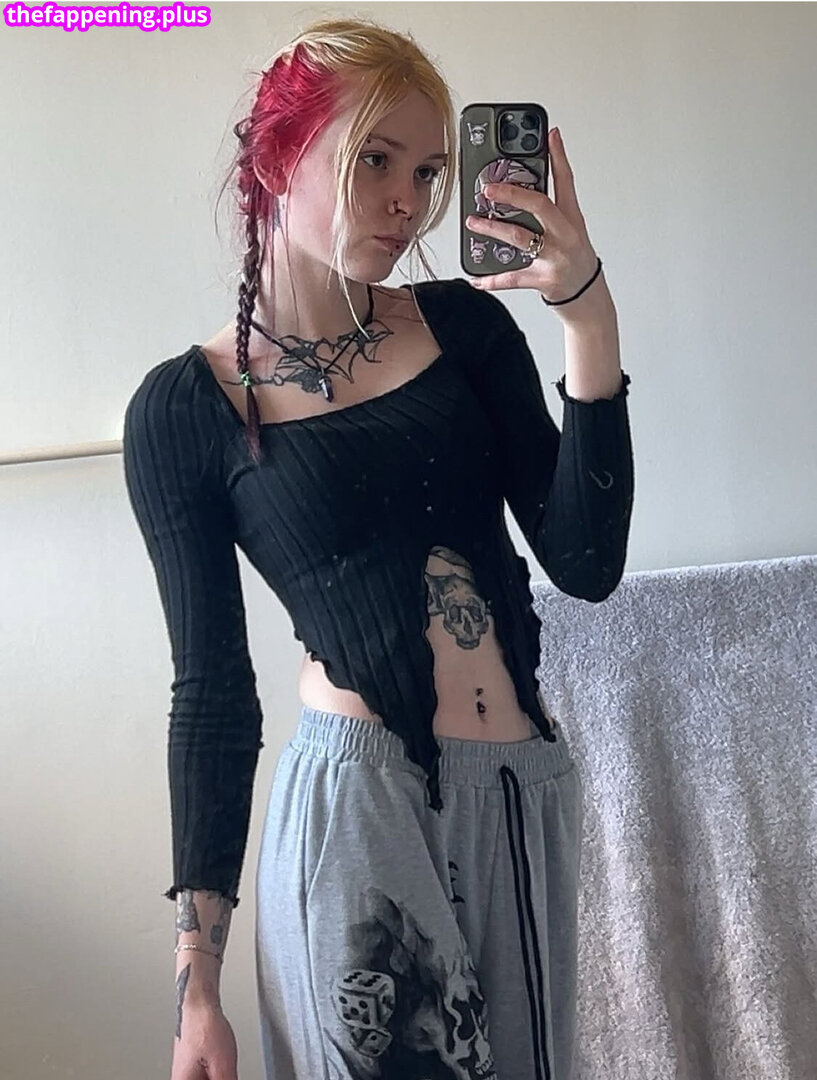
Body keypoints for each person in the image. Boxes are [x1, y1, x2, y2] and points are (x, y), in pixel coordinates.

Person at [122, 15, 634, 1080]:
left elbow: (585, 565)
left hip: (518, 788)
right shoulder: (187, 408)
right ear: (277, 158)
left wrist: (587, 321)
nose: (410, 200)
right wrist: (196, 986)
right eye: (376, 160)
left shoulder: (465, 330)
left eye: (430, 170)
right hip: (359, 808)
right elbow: (211, 694)